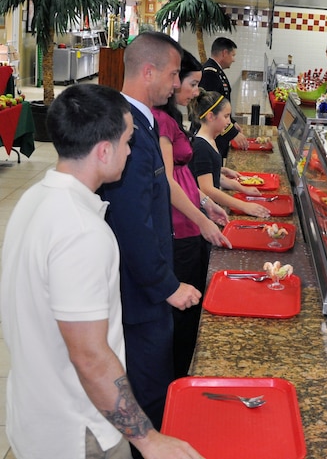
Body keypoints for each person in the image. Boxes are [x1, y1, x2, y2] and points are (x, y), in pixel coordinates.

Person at [0, 83, 204, 458]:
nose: (131, 151)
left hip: (33, 415)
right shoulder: (81, 231)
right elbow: (90, 356)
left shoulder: (35, 199)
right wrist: (148, 439)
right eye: (128, 142)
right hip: (79, 430)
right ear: (104, 150)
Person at [98, 31, 203, 436]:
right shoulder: (131, 134)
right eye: (174, 74)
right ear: (148, 71)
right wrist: (166, 284)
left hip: (149, 287)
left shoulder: (140, 123)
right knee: (149, 395)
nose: (177, 84)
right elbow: (131, 222)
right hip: (141, 296)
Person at [152, 49, 232, 379]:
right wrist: (201, 219)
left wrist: (205, 202)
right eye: (192, 83)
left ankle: (187, 371)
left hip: (191, 220)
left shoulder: (173, 117)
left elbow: (183, 179)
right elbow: (168, 182)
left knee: (194, 306)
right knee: (185, 312)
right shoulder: (160, 122)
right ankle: (180, 378)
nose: (197, 91)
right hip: (180, 227)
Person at [188, 89, 272, 219]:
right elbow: (207, 189)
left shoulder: (210, 140)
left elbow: (214, 175)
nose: (229, 122)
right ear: (210, 117)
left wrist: (242, 188)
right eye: (226, 116)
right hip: (203, 213)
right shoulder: (201, 147)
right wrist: (243, 205)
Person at [200, 37, 250, 156]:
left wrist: (232, 122)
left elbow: (221, 103)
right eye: (233, 55)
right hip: (212, 133)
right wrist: (232, 133)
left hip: (218, 132)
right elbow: (212, 108)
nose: (233, 60)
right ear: (224, 53)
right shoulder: (210, 73)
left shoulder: (217, 71)